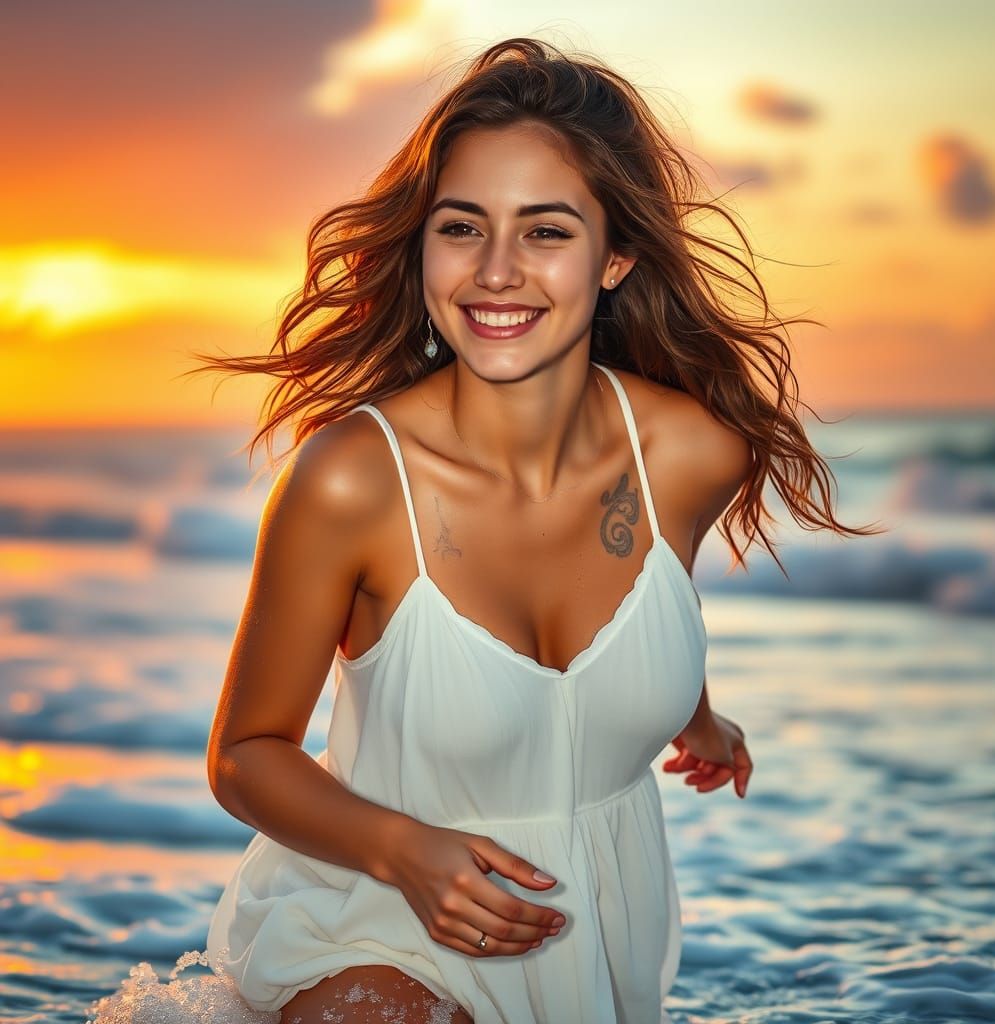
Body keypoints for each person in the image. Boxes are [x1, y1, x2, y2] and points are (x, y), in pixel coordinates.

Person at [189, 36, 880, 1024]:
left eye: (546, 232)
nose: (497, 272)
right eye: (462, 227)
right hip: (377, 923)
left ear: (616, 255)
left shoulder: (688, 454)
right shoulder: (352, 479)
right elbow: (244, 753)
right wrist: (405, 850)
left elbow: (641, 609)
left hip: (592, 949)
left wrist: (693, 714)